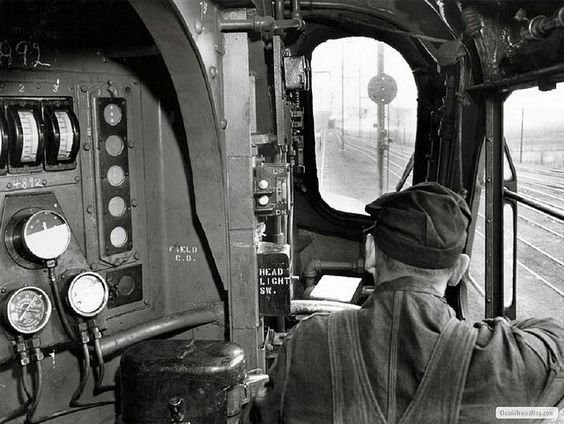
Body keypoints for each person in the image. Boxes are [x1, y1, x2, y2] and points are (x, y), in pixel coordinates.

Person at [243, 182, 564, 423]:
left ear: (369, 252)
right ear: (458, 271)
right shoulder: (504, 363)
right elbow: (555, 340)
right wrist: (493, 333)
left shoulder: (307, 345)